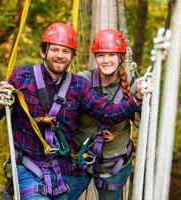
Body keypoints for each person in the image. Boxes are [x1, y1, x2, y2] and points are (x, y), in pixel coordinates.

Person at [0, 23, 143, 200]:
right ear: (43, 52)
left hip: (62, 170)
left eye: (66, 51)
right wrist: (0, 102)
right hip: (29, 168)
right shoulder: (21, 77)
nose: (60, 56)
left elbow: (108, 113)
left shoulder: (78, 86)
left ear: (72, 57)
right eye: (55, 50)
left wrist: (137, 99)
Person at [69, 29, 140, 200]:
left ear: (121, 58)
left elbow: (140, 123)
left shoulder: (134, 87)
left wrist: (147, 99)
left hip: (113, 166)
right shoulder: (82, 80)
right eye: (101, 55)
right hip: (80, 160)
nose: (106, 60)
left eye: (111, 55)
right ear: (95, 57)